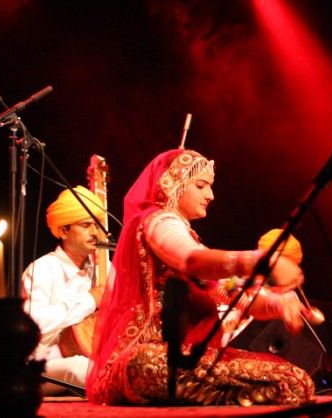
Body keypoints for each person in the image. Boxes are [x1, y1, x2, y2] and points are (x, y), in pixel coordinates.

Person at [86, 149, 314, 406]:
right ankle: (220, 394)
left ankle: (210, 394)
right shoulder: (157, 222)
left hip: (190, 358)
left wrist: (277, 303)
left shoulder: (191, 240)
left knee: (296, 381)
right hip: (146, 356)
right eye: (201, 185)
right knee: (145, 363)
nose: (210, 195)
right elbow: (193, 260)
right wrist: (260, 261)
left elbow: (232, 292)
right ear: (173, 184)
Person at [21, 185, 106, 395]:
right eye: (85, 225)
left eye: (97, 225)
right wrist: (90, 300)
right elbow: (35, 324)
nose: (94, 232)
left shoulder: (104, 269)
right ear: (63, 231)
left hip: (92, 357)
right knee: (80, 368)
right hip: (42, 365)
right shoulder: (42, 269)